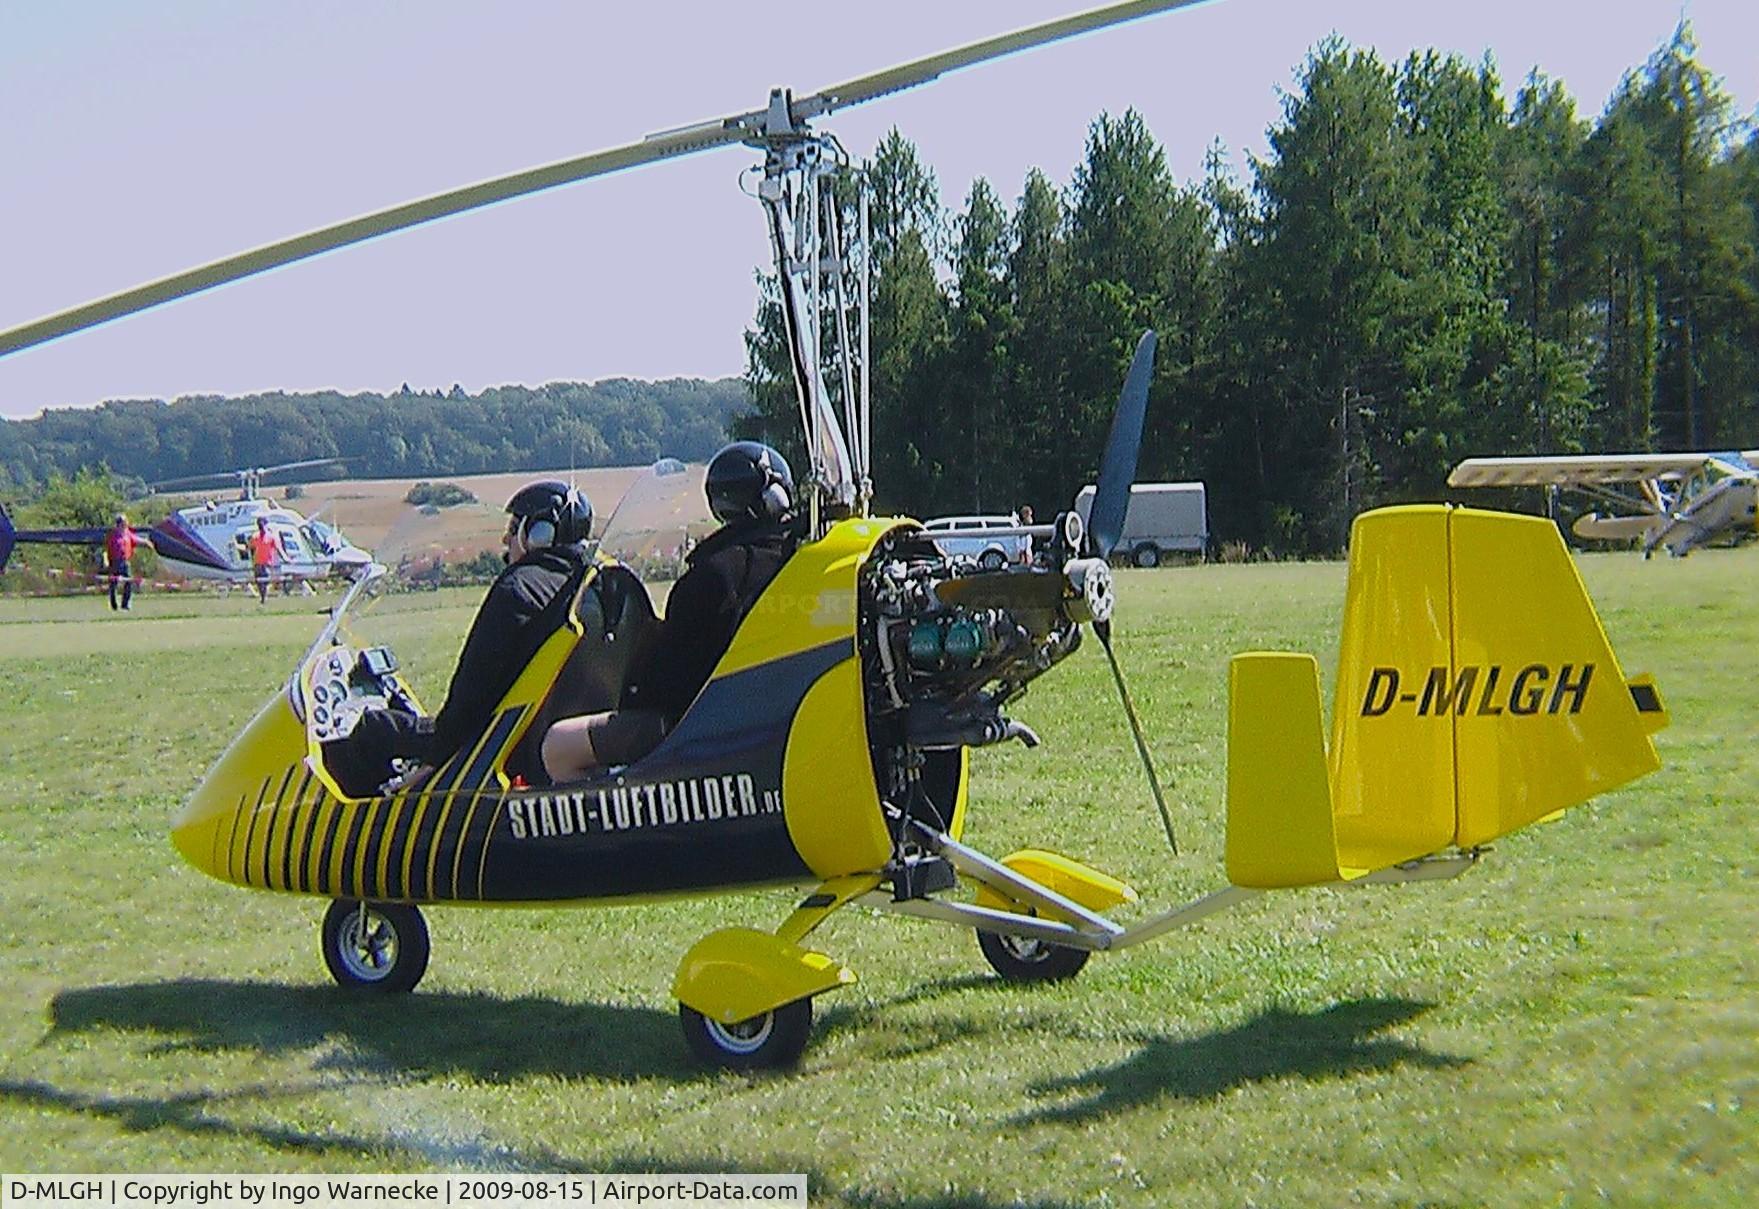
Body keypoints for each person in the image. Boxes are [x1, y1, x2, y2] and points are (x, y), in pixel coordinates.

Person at [541, 441, 797, 782]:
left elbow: (669, 685)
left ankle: (615, 814)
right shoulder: (793, 557)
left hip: (701, 727)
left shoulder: (714, 575)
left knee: (558, 744)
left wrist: (638, 677)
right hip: (766, 717)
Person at [328, 480, 593, 796]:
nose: (506, 538)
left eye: (513, 528)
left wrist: (434, 759)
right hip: (532, 736)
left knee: (375, 728)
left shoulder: (519, 590)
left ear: (538, 535)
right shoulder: (585, 585)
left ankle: (357, 821)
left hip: (487, 742)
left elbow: (471, 692)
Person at [105, 513, 152, 611]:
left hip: (125, 561)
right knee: (113, 583)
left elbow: (136, 539)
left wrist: (146, 542)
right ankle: (114, 604)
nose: (124, 524)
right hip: (115, 562)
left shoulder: (127, 534)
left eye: (125, 522)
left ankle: (125, 604)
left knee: (129, 582)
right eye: (122, 523)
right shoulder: (112, 535)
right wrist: (108, 561)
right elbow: (108, 549)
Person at [247, 516, 284, 604]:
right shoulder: (255, 536)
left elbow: (279, 549)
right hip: (257, 563)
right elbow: (249, 547)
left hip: (267, 563)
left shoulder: (271, 537)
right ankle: (263, 598)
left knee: (265, 580)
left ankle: (264, 598)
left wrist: (286, 558)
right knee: (259, 582)